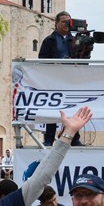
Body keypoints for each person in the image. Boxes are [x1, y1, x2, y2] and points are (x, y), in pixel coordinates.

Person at [38, 11, 76, 144]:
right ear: (56, 23)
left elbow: (83, 60)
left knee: (72, 108)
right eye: (63, 22)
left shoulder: (75, 40)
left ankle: (74, 138)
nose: (66, 25)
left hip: (71, 80)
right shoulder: (49, 40)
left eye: (68, 22)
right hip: (53, 80)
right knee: (53, 109)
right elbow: (41, 58)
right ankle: (49, 138)